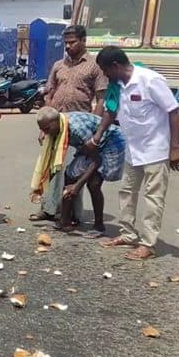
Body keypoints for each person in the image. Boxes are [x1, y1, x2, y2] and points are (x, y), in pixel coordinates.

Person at [90, 46, 179, 261]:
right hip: (133, 150)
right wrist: (97, 136)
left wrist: (175, 147)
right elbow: (111, 111)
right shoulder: (117, 86)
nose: (104, 75)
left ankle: (148, 244)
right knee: (127, 192)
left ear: (115, 66)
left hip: (156, 149)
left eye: (105, 70)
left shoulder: (150, 80)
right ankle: (128, 234)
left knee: (153, 198)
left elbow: (174, 110)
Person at [31, 25, 108, 225]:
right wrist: (44, 126)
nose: (68, 46)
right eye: (65, 43)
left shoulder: (94, 66)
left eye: (72, 42)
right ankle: (48, 209)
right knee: (51, 166)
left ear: (84, 41)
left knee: (76, 170)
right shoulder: (58, 65)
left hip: (80, 125)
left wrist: (95, 130)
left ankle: (71, 213)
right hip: (56, 124)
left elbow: (101, 99)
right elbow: (49, 93)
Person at [32, 107, 125, 238]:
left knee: (94, 183)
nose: (45, 133)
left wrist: (78, 186)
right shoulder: (57, 126)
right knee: (69, 174)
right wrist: (41, 186)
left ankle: (99, 226)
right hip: (88, 146)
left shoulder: (76, 129)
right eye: (42, 129)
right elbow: (52, 161)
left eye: (47, 129)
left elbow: (96, 160)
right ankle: (64, 222)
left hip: (110, 143)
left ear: (55, 122)